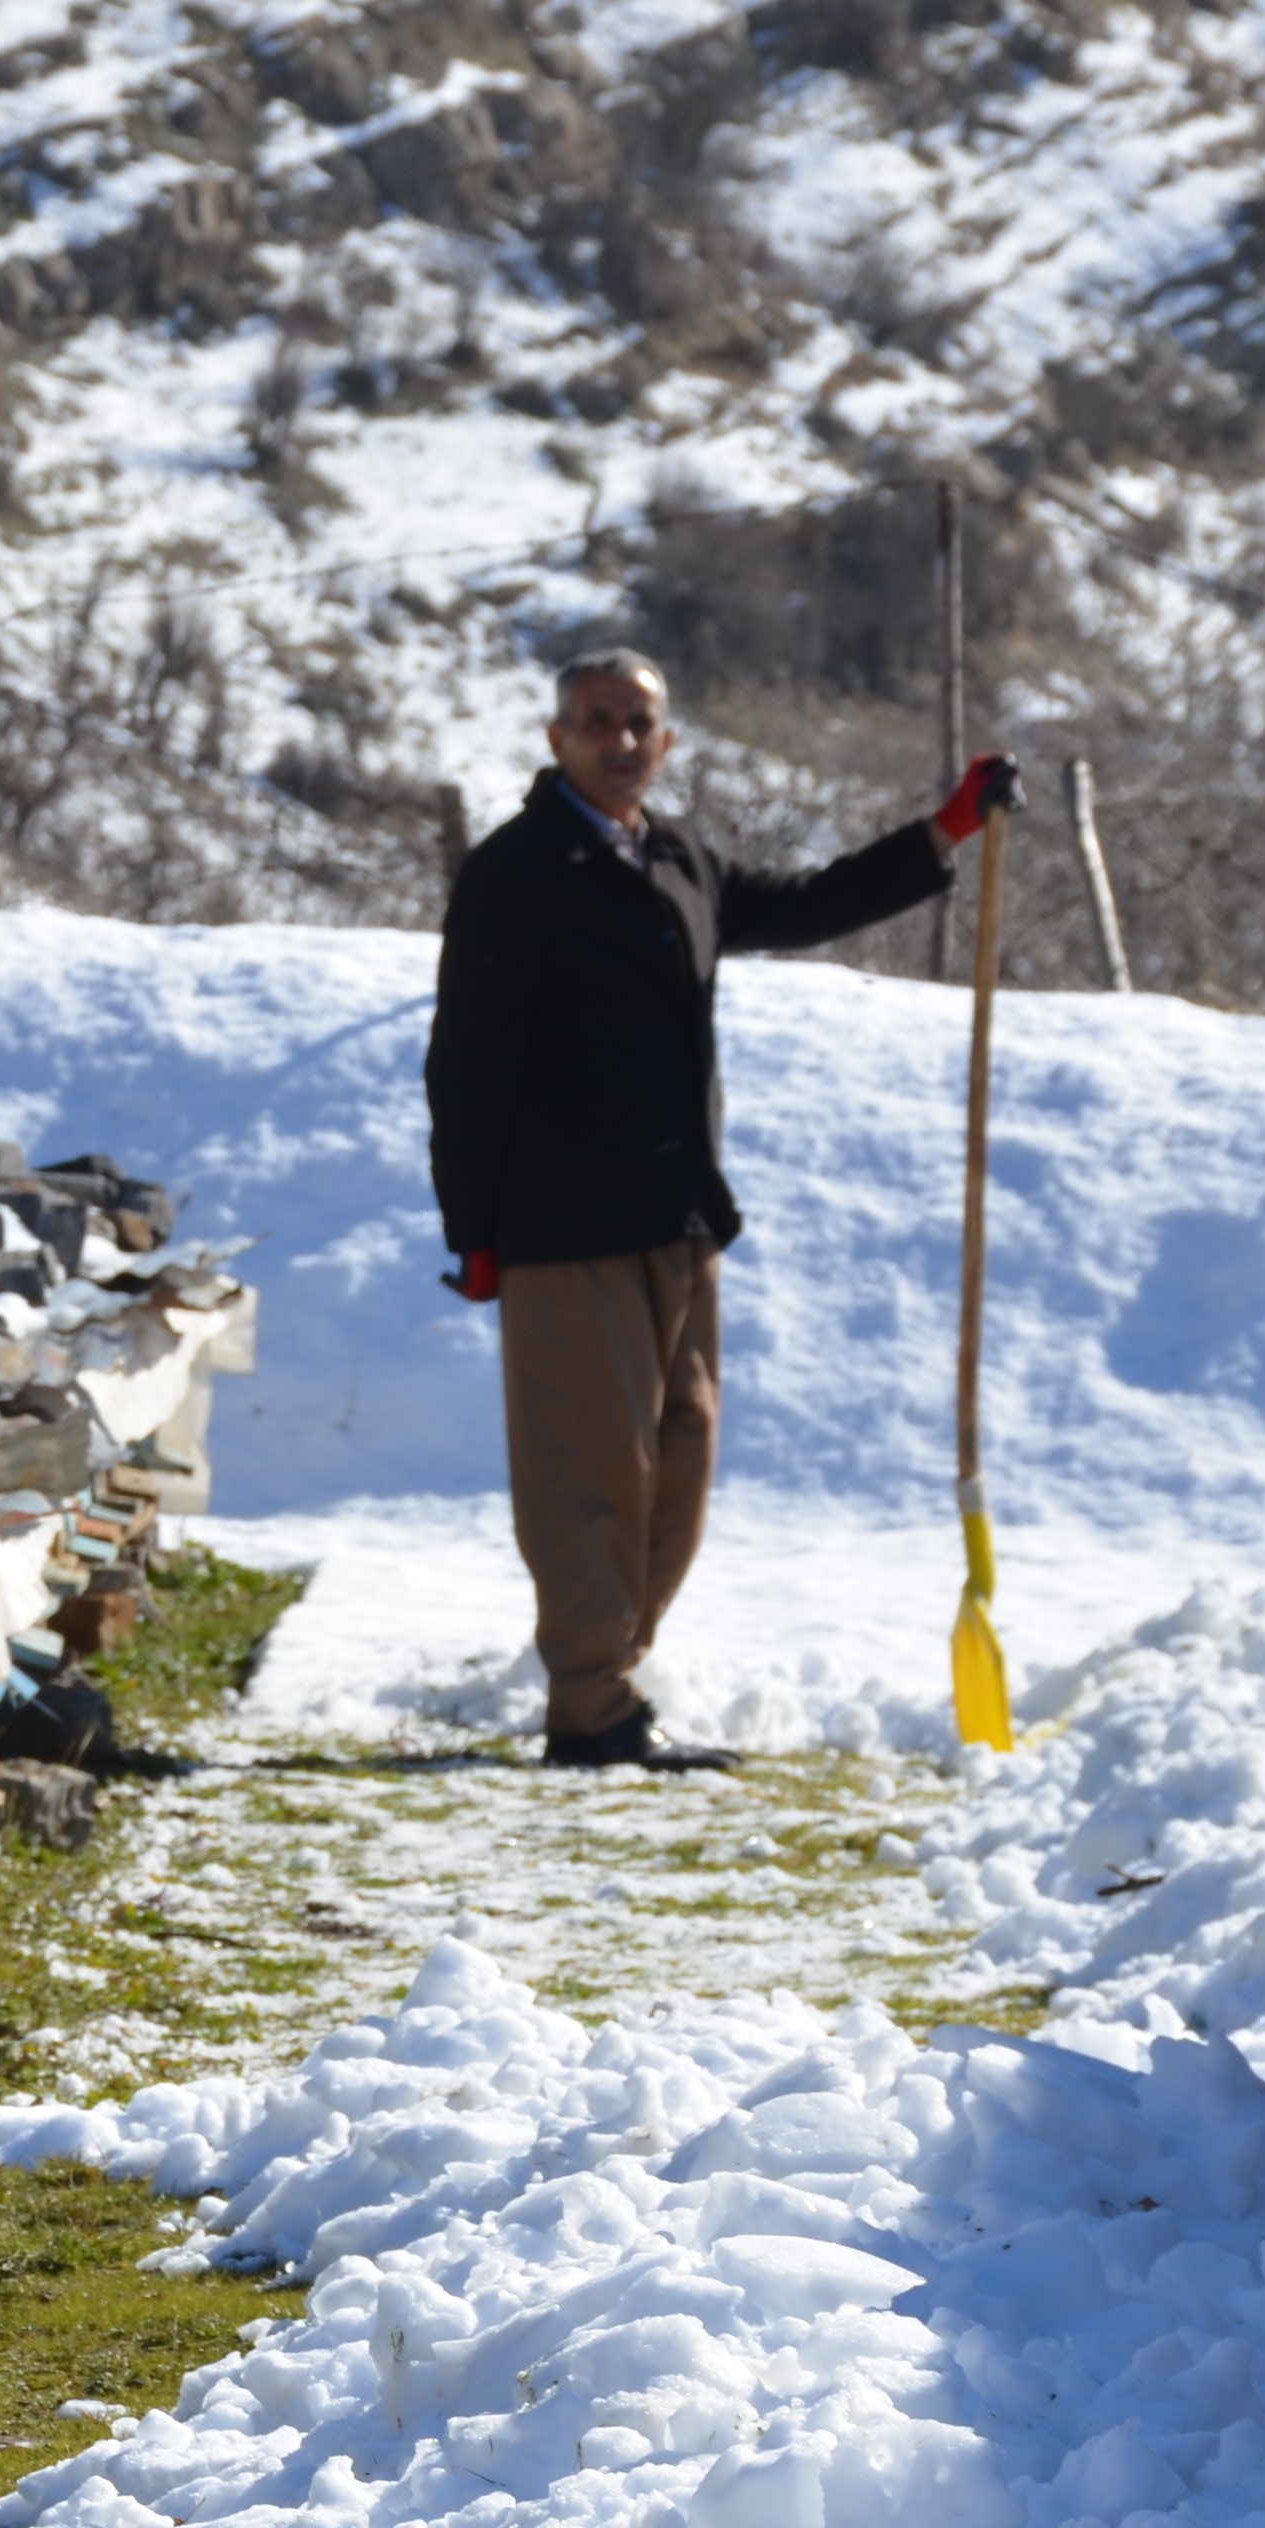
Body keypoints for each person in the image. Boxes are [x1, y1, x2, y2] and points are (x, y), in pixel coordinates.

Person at [425, 646, 1016, 1769]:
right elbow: (465, 1061)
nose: (619, 740)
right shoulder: (517, 872)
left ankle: (613, 1677)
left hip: (677, 1213)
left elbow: (804, 904)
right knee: (587, 1470)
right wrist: (477, 1231)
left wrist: (945, 830)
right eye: (596, 722)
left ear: (666, 741)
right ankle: (589, 1704)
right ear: (556, 740)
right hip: (563, 1223)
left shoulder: (676, 858)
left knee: (676, 1462)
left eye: (638, 722)